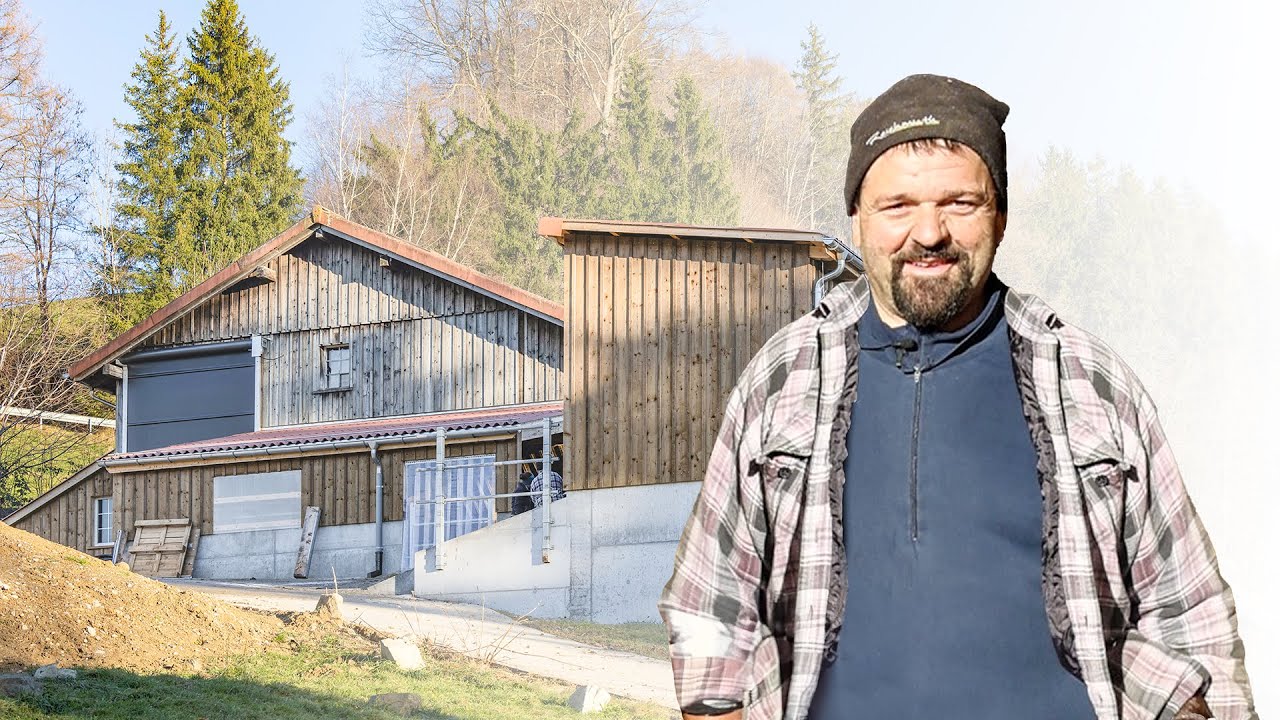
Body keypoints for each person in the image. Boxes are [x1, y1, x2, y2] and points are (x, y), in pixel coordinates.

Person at [659, 74, 1255, 720]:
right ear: (858, 218)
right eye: (898, 207)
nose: (929, 232)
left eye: (960, 203)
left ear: (999, 213)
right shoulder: (782, 378)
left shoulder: (1091, 381)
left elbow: (1189, 613)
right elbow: (710, 603)